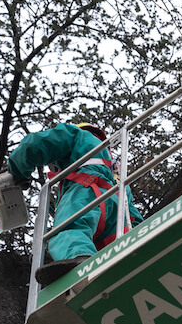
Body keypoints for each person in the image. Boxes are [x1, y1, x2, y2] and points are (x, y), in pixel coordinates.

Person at [8, 122, 143, 286]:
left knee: (67, 230)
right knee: (115, 248)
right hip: (117, 212)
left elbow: (36, 143)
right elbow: (131, 210)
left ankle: (79, 262)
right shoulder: (115, 167)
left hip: (86, 189)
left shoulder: (77, 135)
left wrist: (17, 171)